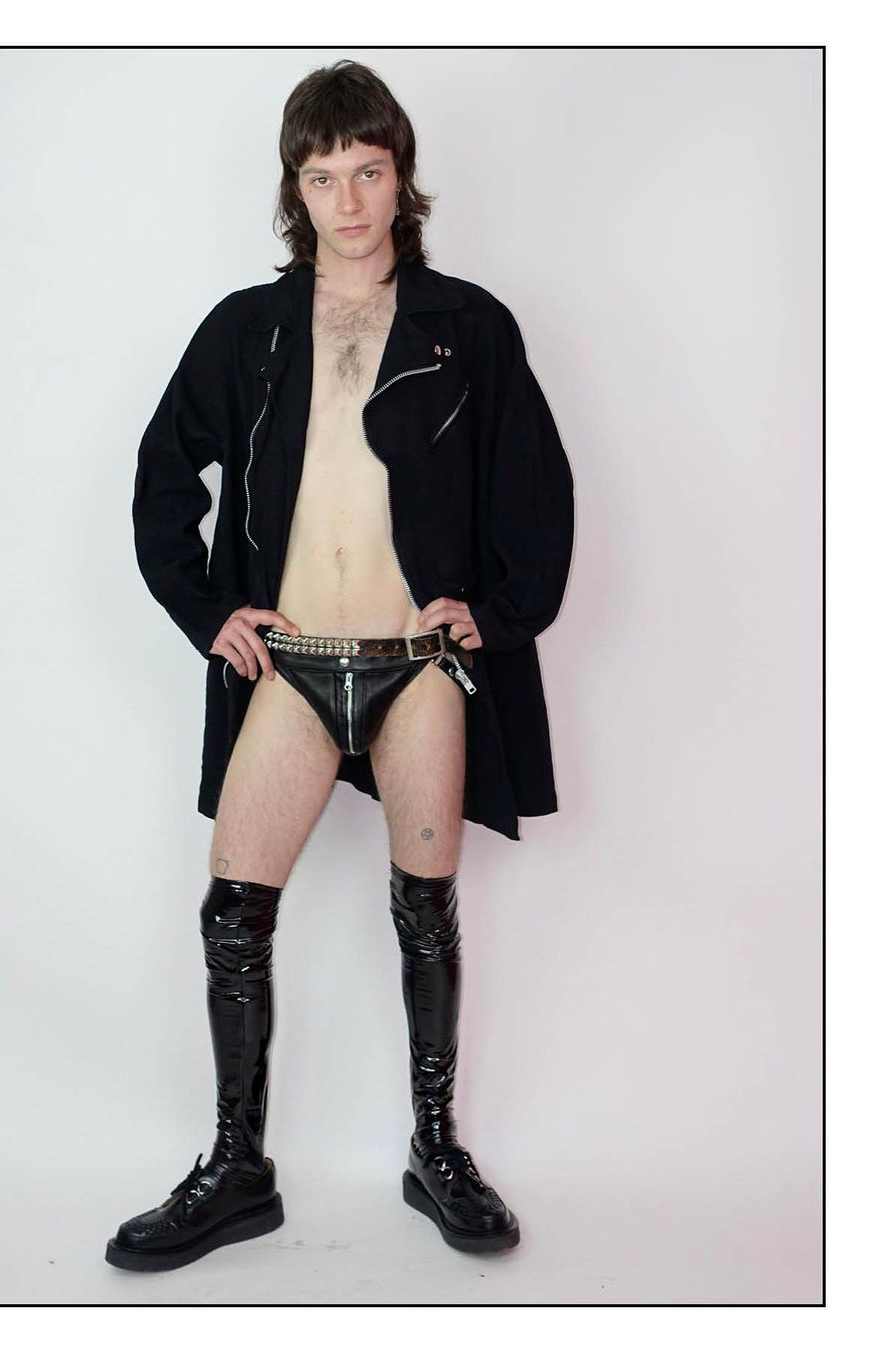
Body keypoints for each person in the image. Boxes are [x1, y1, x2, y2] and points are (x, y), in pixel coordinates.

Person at [105, 58, 574, 1273]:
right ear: (295, 188)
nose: (349, 200)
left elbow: (536, 489)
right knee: (233, 911)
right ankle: (236, 1169)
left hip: (418, 664)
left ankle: (436, 1149)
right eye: (323, 177)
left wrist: (501, 613)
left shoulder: (469, 326)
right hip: (295, 663)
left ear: (401, 175)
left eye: (368, 171)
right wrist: (207, 608)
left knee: (425, 908)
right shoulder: (248, 330)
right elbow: (163, 477)